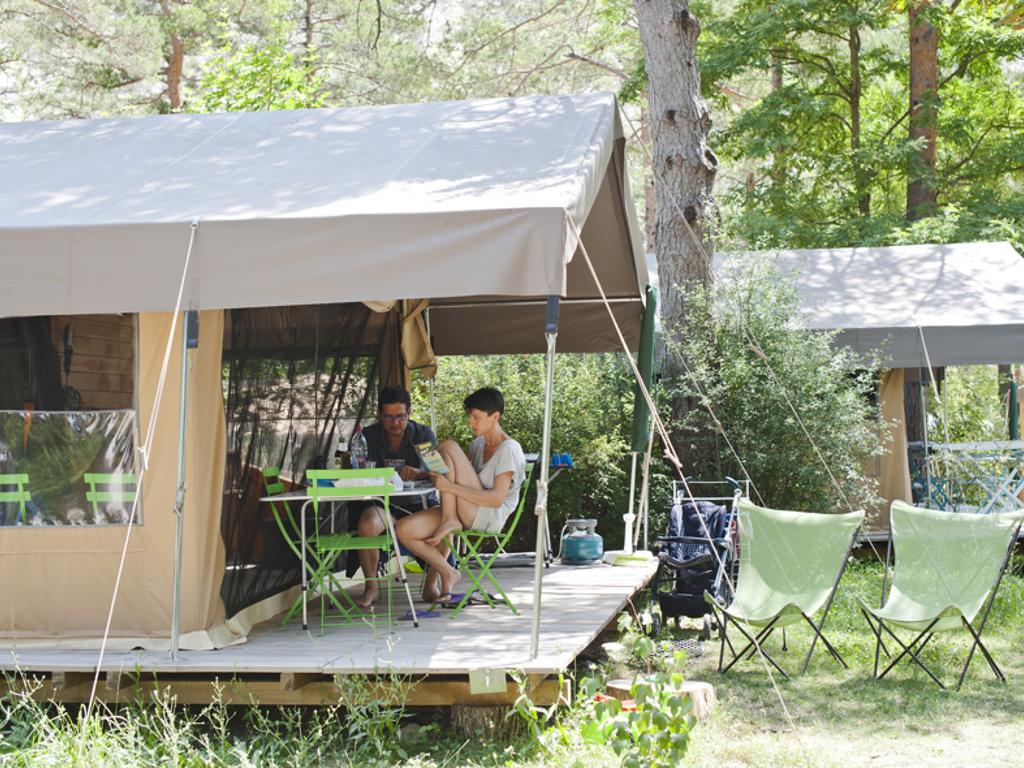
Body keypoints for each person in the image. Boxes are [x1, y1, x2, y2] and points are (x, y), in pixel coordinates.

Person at [396, 387, 526, 603]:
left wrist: (449, 487)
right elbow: (451, 471)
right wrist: (422, 473)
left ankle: (449, 520)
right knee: (403, 529)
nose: (471, 423)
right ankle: (447, 573)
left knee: (447, 445)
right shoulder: (478, 444)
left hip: (489, 515)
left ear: (495, 417)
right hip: (464, 509)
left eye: (476, 417)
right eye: (470, 417)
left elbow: (496, 499)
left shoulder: (509, 449)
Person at [351, 385, 437, 608]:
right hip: (383, 505)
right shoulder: (367, 437)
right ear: (379, 415)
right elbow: (356, 472)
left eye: (400, 416)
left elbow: (438, 471)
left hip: (419, 506)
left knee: (446, 519)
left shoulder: (423, 434)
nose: (395, 422)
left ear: (409, 412)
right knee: (367, 522)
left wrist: (420, 472)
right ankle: (371, 587)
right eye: (389, 417)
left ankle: (431, 585)